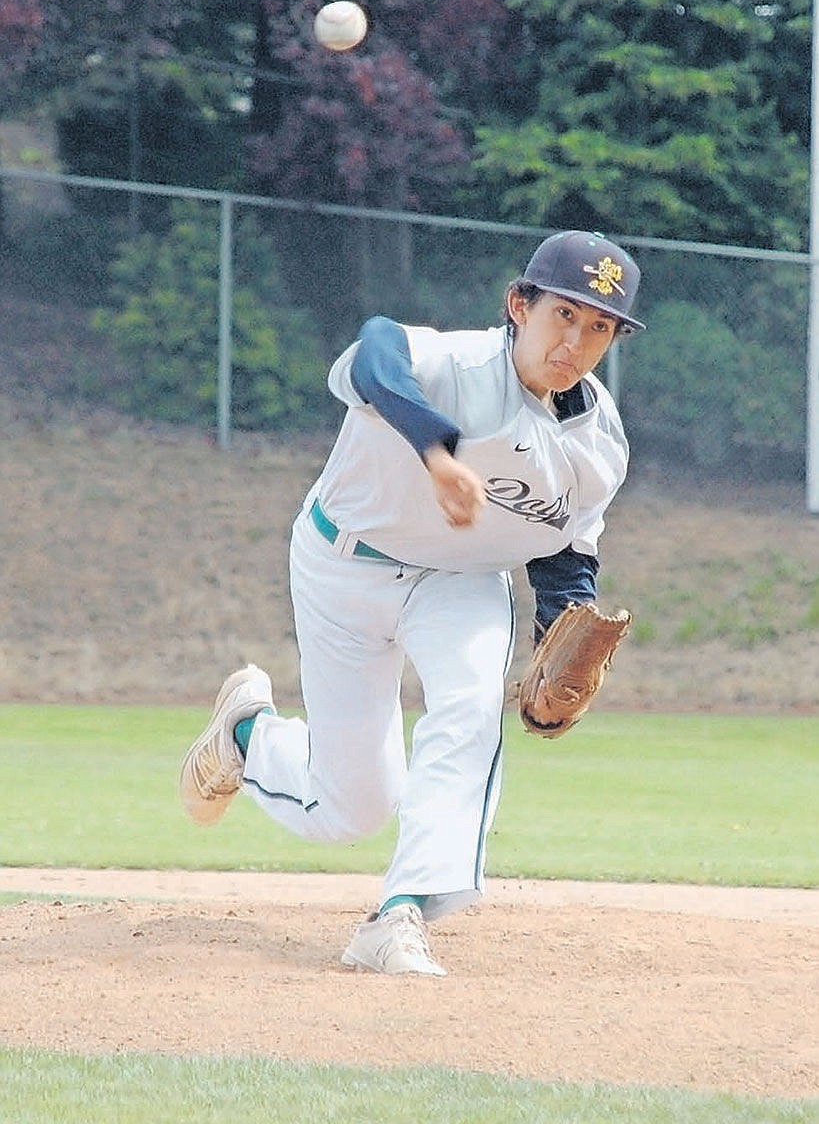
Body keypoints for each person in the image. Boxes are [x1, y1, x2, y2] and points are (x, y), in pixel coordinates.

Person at [180, 229, 646, 977]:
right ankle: (247, 739)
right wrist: (434, 451)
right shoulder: (453, 364)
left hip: (462, 581)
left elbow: (565, 545)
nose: (576, 341)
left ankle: (399, 913)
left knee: (467, 704)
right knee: (351, 810)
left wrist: (563, 631)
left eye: (599, 327)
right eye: (563, 314)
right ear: (518, 305)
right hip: (344, 566)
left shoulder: (598, 441)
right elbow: (372, 351)